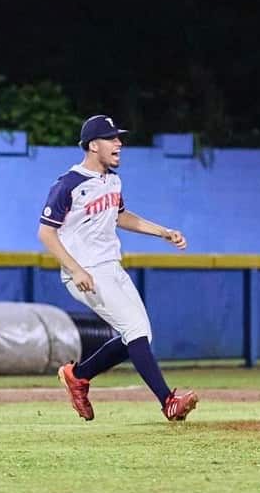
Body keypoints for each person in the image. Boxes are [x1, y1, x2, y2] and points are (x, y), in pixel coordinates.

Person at [44, 115, 197, 423]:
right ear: (93, 145)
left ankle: (79, 375)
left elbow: (121, 216)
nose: (119, 144)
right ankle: (168, 401)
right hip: (85, 271)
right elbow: (46, 233)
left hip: (111, 267)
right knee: (135, 331)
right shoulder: (68, 184)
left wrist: (163, 232)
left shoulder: (112, 180)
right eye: (112, 138)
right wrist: (75, 269)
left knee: (140, 336)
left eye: (118, 138)